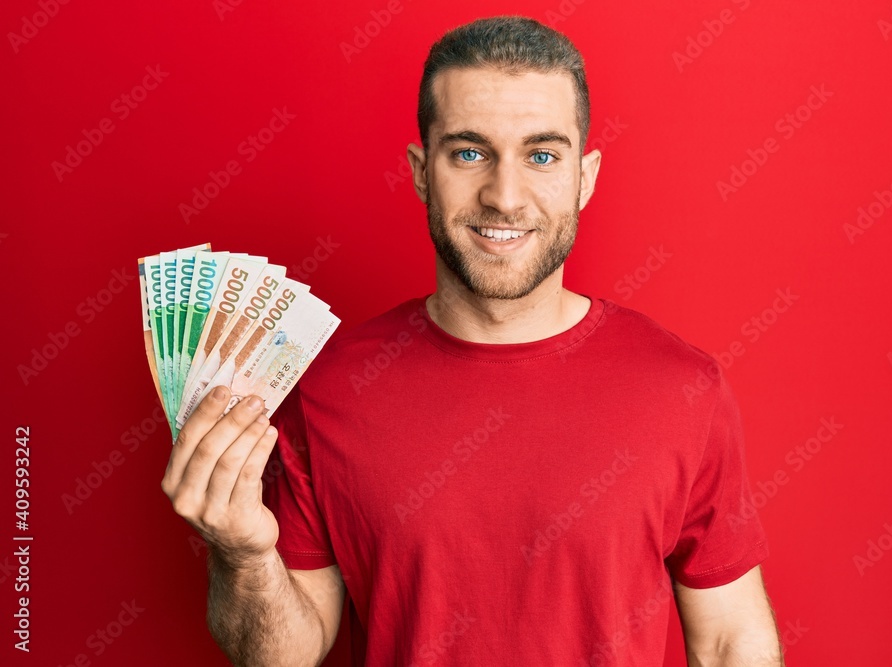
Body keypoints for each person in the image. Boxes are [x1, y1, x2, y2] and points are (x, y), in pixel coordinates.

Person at [161, 15, 782, 666]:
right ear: (422, 170)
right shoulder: (325, 389)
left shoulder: (684, 390)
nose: (505, 196)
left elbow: (730, 639)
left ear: (586, 176)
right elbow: (281, 656)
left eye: (541, 155)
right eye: (468, 152)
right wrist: (244, 553)